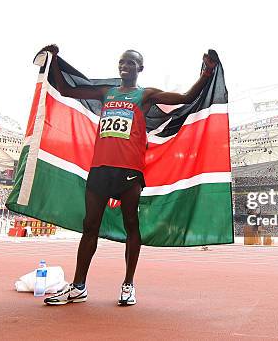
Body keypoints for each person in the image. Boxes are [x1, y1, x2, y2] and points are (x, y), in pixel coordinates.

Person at [41, 44, 216, 306]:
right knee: (90, 226)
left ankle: (128, 284)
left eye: (131, 63)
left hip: (129, 171)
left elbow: (185, 98)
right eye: (122, 62)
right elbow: (67, 89)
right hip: (101, 168)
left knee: (131, 226)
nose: (124, 66)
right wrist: (54, 59)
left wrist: (206, 73)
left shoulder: (146, 95)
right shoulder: (105, 93)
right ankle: (78, 287)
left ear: (140, 68)